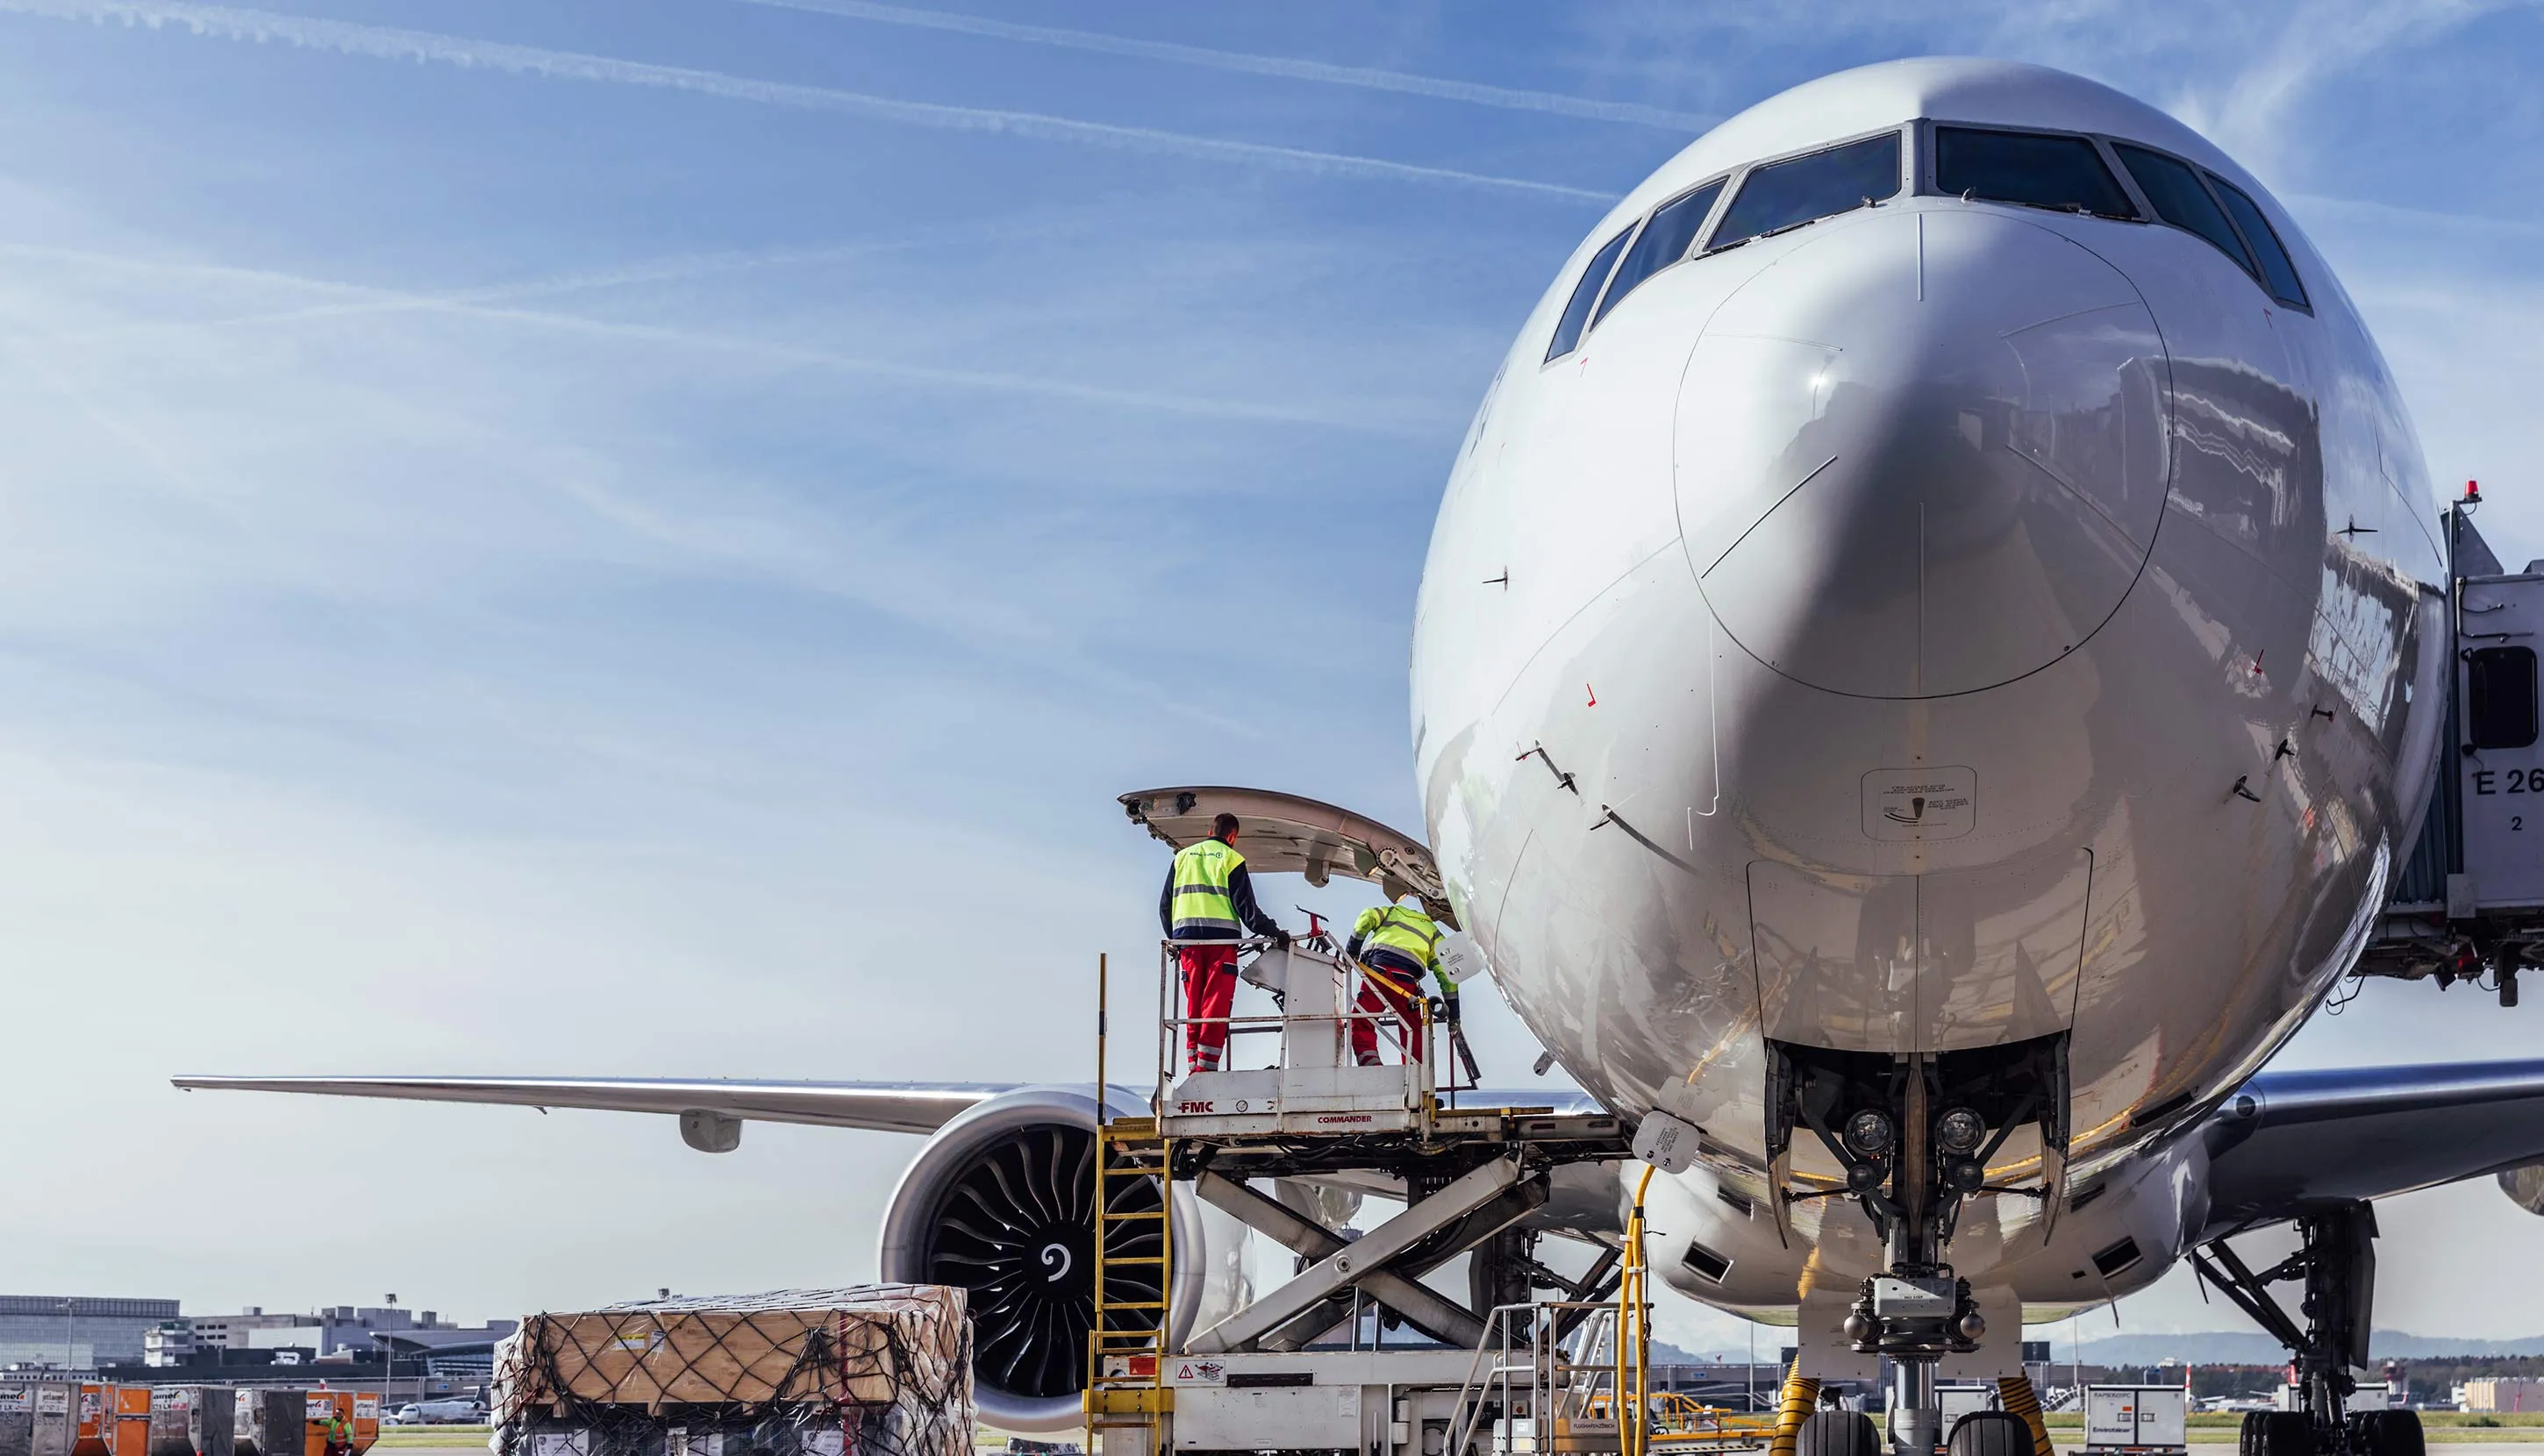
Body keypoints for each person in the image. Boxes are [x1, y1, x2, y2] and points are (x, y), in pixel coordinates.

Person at [1160, 812, 1288, 1073]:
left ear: (1210, 831)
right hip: (1220, 944)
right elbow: (1248, 911)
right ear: (1232, 837)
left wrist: (1175, 940)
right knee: (1214, 1007)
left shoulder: (1182, 858)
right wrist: (1275, 932)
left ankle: (1193, 1065)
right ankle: (1206, 1069)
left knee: (1193, 1006)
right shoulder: (1231, 859)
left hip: (1188, 944)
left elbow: (1165, 906)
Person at [1346, 892, 1455, 1066]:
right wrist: (1454, 1016)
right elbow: (1448, 977)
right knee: (1413, 1028)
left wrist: (1352, 951)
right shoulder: (1433, 933)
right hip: (1405, 984)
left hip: (1376, 975)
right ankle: (1415, 1072)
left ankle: (1370, 1063)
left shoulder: (1392, 912)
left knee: (1362, 1020)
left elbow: (1367, 916)